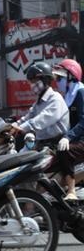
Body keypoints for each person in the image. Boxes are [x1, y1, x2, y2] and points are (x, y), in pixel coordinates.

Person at [8, 62, 69, 149]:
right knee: (17, 159)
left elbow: (42, 119)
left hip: (56, 146)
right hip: (41, 144)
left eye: (34, 81)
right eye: (30, 82)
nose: (31, 85)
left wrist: (21, 127)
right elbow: (27, 117)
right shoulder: (38, 102)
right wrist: (11, 126)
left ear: (45, 80)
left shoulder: (56, 99)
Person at [51, 59, 84, 200]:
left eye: (60, 78)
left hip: (82, 139)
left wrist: (68, 137)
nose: (57, 81)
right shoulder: (68, 96)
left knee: (64, 150)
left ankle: (71, 190)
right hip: (75, 138)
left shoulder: (81, 93)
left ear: (70, 77)